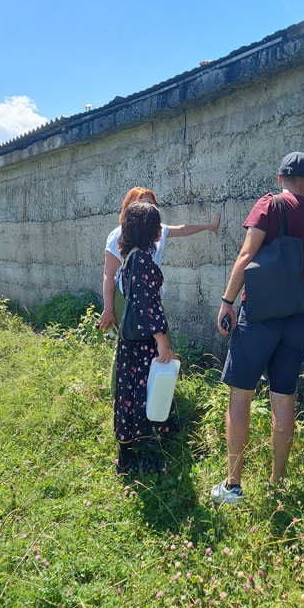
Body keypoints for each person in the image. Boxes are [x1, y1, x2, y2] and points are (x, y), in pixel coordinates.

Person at [211, 152, 304, 505]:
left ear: (280, 177)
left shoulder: (269, 205)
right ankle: (277, 484)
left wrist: (227, 301)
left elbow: (246, 254)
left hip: (259, 317)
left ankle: (233, 486)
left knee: (241, 395)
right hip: (297, 318)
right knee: (284, 399)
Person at [98, 187, 221, 332]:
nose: (149, 207)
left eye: (153, 204)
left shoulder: (158, 230)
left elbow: (182, 229)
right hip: (127, 297)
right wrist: (108, 308)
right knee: (141, 341)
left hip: (150, 295)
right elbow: (109, 274)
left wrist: (209, 226)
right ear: (131, 207)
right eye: (144, 203)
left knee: (146, 345)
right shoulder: (118, 235)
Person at [114, 201, 174, 475]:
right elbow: (145, 303)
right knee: (145, 391)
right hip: (142, 342)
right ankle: (136, 455)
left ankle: (129, 452)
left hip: (131, 340)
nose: (160, 228)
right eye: (155, 224)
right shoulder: (142, 260)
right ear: (145, 229)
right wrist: (161, 338)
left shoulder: (130, 255)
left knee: (130, 392)